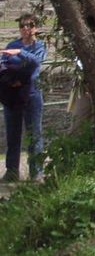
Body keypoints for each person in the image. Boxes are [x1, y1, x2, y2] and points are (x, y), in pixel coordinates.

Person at [1, 13, 46, 182]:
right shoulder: (11, 44)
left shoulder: (39, 45)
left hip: (32, 94)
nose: (25, 29)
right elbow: (3, 62)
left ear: (36, 28)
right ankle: (12, 171)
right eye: (22, 26)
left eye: (29, 25)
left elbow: (37, 62)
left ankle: (37, 172)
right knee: (12, 133)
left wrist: (20, 52)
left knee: (34, 133)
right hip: (12, 94)